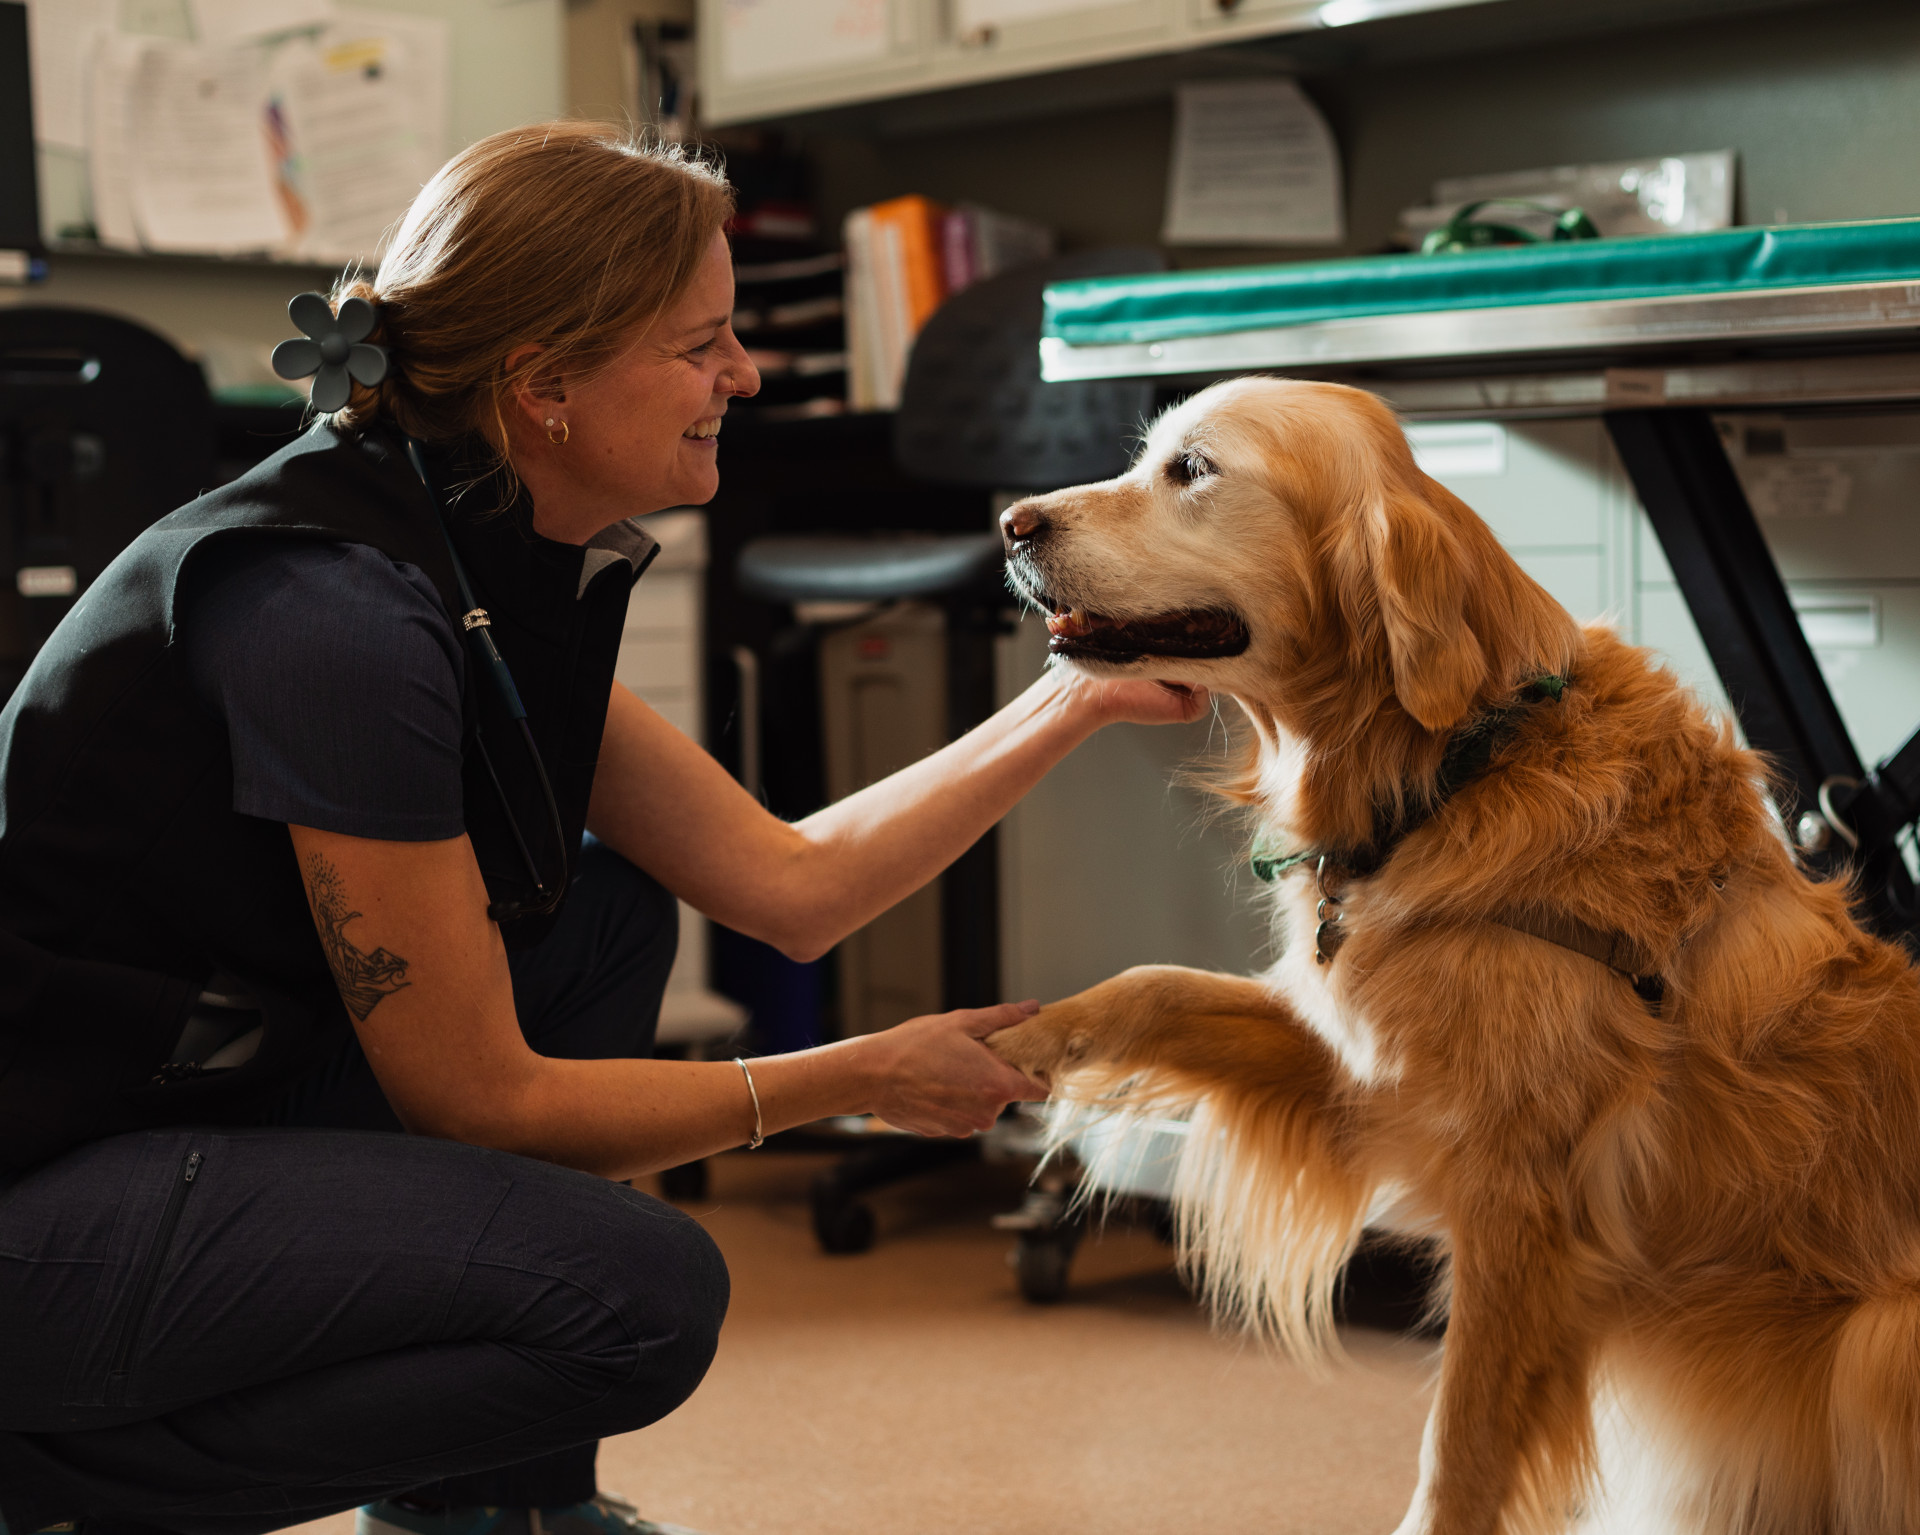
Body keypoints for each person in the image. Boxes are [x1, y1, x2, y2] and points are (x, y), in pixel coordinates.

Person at [0, 123, 1206, 1535]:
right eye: (702, 346)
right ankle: (52, 1491)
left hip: (165, 1103)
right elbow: (482, 1101)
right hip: (41, 1180)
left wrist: (1075, 698)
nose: (743, 377)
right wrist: (851, 1073)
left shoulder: (478, 558)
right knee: (635, 1295)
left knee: (594, 914)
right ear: (545, 384)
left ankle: (491, 1515)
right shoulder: (334, 619)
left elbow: (789, 885)